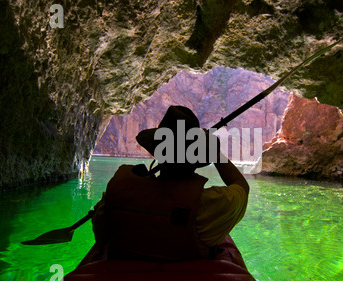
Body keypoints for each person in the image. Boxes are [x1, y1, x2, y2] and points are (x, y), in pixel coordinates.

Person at [92, 105, 249, 261]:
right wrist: (215, 153)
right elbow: (242, 187)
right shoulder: (208, 205)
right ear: (197, 158)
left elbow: (101, 235)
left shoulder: (117, 194)